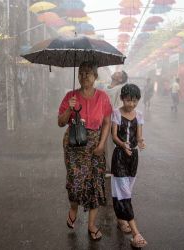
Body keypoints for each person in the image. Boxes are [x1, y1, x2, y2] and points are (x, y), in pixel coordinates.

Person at [58, 61, 112, 240]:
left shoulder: (103, 97)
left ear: (95, 76)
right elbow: (60, 122)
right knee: (75, 182)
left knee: (95, 183)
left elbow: (106, 122)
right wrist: (70, 109)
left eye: (88, 73)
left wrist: (102, 144)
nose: (83, 76)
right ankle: (73, 208)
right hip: (74, 144)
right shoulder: (70, 96)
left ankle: (91, 225)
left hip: (96, 145)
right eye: (81, 73)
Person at [111, 84, 147, 248]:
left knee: (125, 192)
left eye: (134, 101)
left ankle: (121, 220)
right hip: (119, 155)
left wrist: (141, 142)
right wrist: (123, 145)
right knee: (124, 193)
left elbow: (139, 136)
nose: (130, 104)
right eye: (127, 100)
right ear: (122, 99)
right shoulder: (117, 113)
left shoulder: (139, 115)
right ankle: (136, 233)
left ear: (138, 101)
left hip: (133, 157)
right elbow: (114, 136)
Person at [105, 70, 128, 177]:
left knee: (110, 144)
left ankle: (110, 168)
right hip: (101, 118)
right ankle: (104, 165)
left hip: (110, 119)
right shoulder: (106, 87)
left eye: (119, 73)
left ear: (120, 79)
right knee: (103, 142)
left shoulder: (119, 89)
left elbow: (118, 106)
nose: (115, 73)